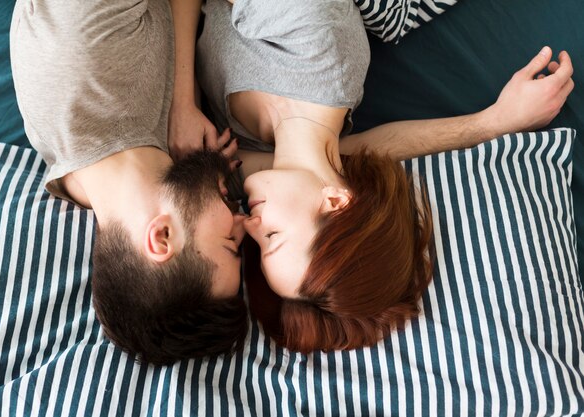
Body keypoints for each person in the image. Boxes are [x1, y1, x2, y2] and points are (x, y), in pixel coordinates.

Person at [196, 0, 575, 352]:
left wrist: (492, 123)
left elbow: (366, 150)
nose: (249, 223)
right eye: (272, 237)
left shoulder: (264, 161)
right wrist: (182, 100)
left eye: (258, 246)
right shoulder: (316, 50)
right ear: (334, 201)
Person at [9, 0, 248, 365]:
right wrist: (182, 108)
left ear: (161, 237)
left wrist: (183, 98)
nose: (243, 222)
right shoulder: (121, 177)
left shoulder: (86, 60)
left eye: (229, 243)